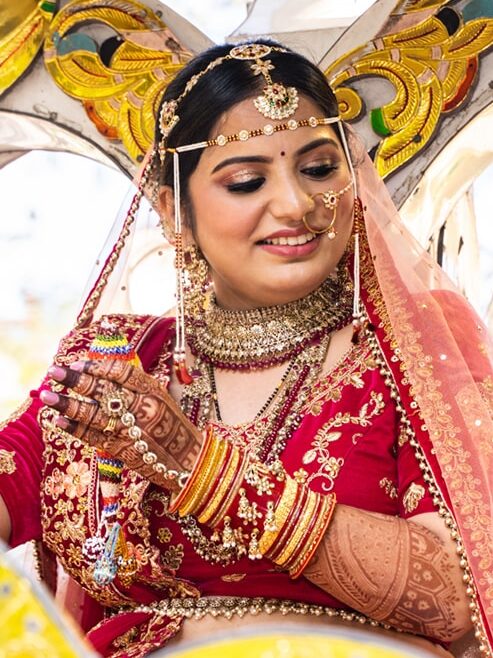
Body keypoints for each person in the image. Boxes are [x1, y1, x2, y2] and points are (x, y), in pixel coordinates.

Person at [0, 40, 491, 658]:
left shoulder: (411, 349)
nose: (296, 204)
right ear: (174, 212)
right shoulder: (116, 361)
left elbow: (462, 599)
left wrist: (200, 468)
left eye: (319, 170)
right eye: (247, 180)